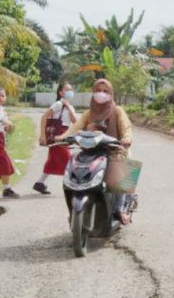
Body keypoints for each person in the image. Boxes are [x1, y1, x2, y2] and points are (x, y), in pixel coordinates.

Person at [63, 78, 135, 224]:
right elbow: (75, 127)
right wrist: (62, 137)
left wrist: (126, 138)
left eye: (105, 91)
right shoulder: (88, 113)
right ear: (93, 92)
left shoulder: (117, 111)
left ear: (111, 94)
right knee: (76, 168)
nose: (101, 94)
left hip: (115, 151)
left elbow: (127, 128)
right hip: (91, 152)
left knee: (121, 169)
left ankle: (120, 208)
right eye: (98, 91)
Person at [33, 82, 79, 195]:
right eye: (67, 89)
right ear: (60, 92)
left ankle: (39, 183)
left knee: (53, 161)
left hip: (65, 134)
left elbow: (75, 122)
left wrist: (68, 107)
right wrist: (42, 135)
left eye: (71, 89)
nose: (70, 92)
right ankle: (75, 186)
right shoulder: (58, 104)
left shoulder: (69, 106)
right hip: (57, 136)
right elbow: (44, 117)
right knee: (68, 160)